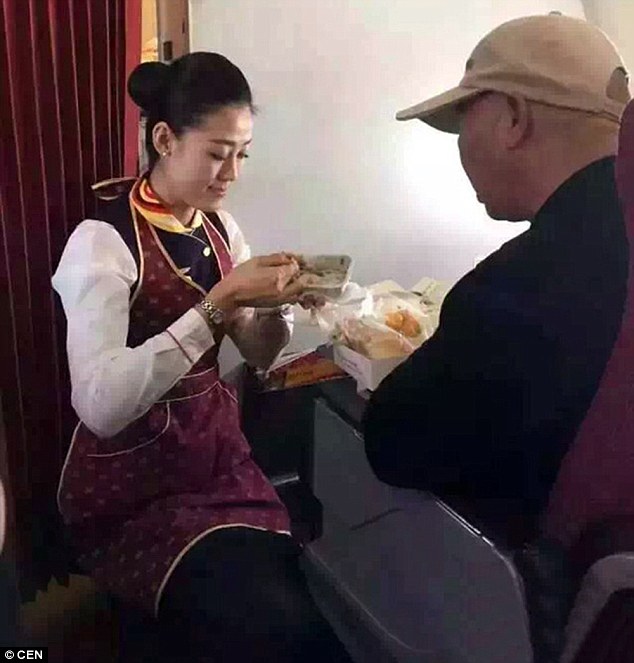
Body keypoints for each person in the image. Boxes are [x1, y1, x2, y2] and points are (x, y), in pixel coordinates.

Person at [53, 52, 350, 662]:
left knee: (308, 596)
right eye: (217, 153)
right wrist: (218, 304)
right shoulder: (101, 241)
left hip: (215, 459)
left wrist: (280, 309)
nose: (231, 173)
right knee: (266, 624)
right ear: (165, 139)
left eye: (242, 154)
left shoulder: (221, 231)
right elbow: (101, 406)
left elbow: (259, 356)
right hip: (133, 485)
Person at [363, 15, 632, 527]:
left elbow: (394, 444)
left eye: (463, 121)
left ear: (513, 119)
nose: (461, 146)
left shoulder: (522, 286)